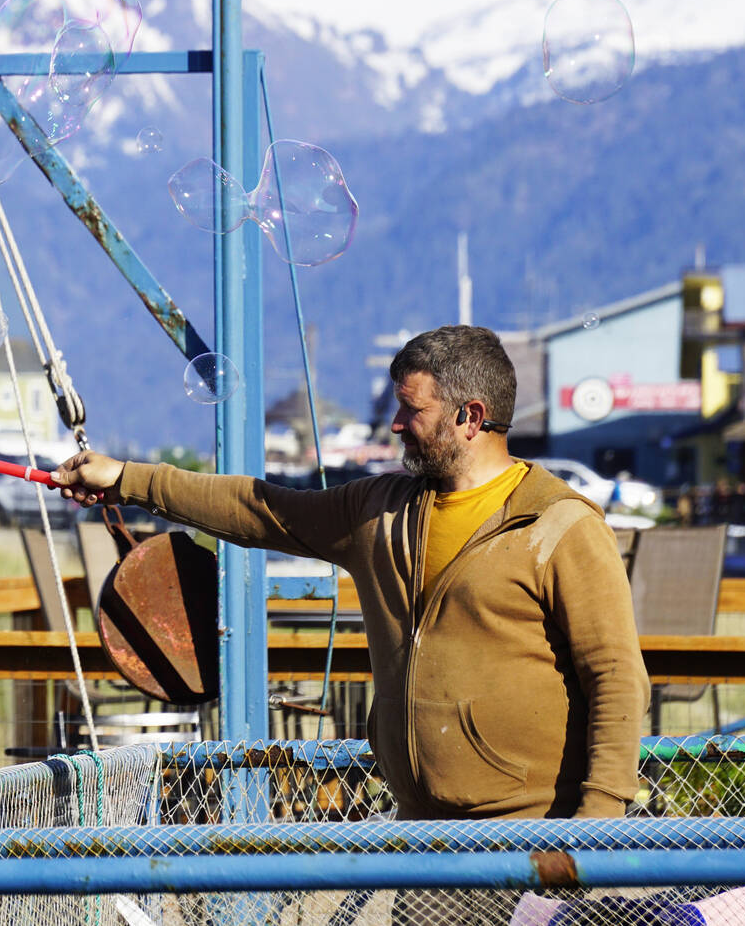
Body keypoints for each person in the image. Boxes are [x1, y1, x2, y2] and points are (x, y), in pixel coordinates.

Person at [53, 324, 648, 821]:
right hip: (422, 835)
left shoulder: (561, 526)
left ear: (471, 416)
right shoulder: (377, 510)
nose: (394, 423)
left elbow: (616, 677)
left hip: (533, 837)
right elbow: (259, 509)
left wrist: (596, 824)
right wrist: (127, 478)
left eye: (411, 409)